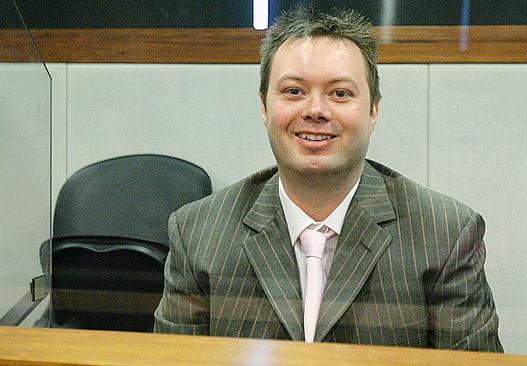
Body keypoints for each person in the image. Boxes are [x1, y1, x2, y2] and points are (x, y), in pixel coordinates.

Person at [154, 5, 502, 351]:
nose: (315, 110)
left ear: (373, 110)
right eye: (294, 91)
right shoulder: (197, 234)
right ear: (264, 106)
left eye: (340, 93)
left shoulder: (444, 234)